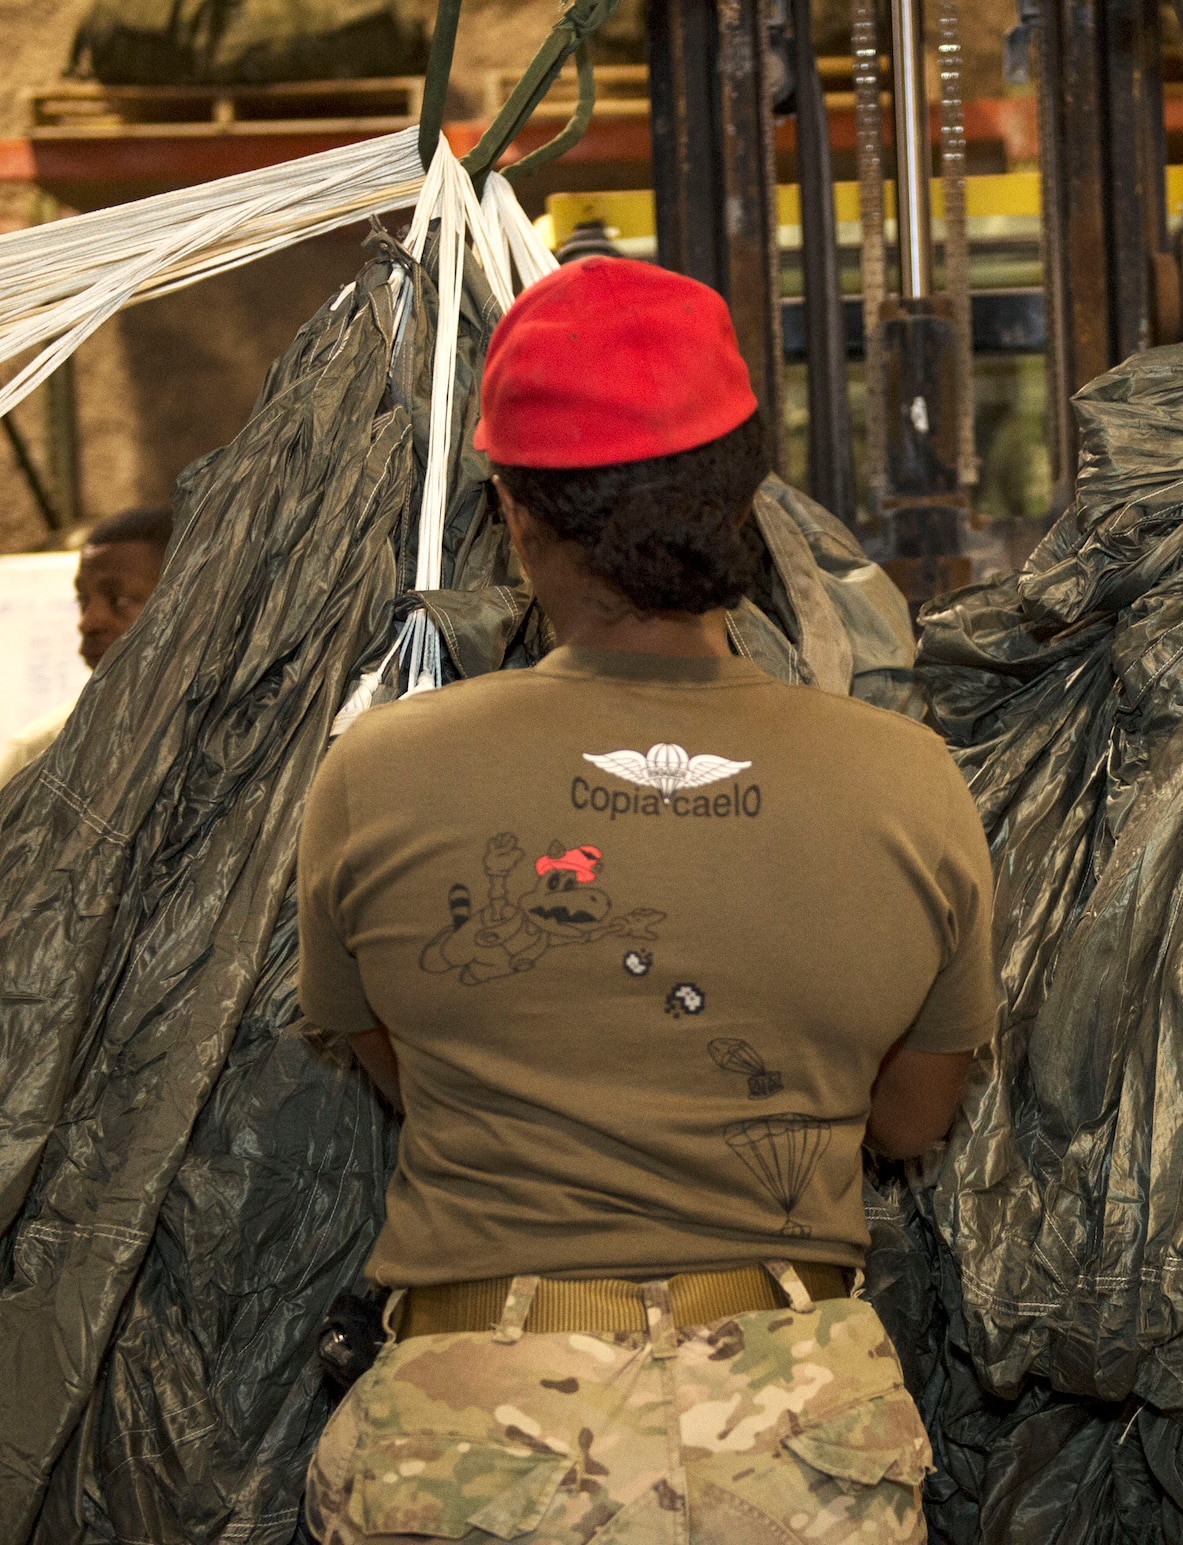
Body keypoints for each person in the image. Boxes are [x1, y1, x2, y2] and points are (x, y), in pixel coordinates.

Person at [298, 258, 995, 1544]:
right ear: (745, 497)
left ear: (511, 513)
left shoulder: (378, 772)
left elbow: (395, 1062)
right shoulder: (909, 783)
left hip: (474, 1438)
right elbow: (908, 1117)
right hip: (794, 1445)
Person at [0, 505, 172, 786]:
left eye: (119, 600)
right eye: (83, 601)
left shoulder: (251, 738)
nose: (88, 622)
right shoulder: (37, 757)